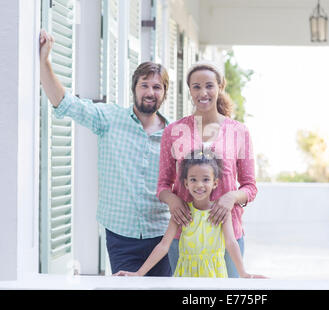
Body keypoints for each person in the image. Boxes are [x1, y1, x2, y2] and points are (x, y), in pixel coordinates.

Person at [39, 29, 172, 276]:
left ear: (164, 93)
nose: (150, 92)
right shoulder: (108, 118)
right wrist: (44, 61)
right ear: (135, 88)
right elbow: (64, 102)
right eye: (144, 85)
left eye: (157, 87)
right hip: (121, 236)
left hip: (163, 236)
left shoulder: (174, 133)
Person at [157, 60, 258, 278]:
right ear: (190, 91)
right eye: (196, 86)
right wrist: (173, 200)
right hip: (185, 236)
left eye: (209, 85)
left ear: (220, 87)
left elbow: (250, 186)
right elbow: (163, 185)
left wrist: (231, 197)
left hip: (228, 237)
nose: (203, 92)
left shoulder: (239, 132)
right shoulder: (173, 131)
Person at [113, 150, 265, 278]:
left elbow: (231, 243)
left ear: (215, 183)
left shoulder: (221, 213)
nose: (199, 185)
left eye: (206, 179)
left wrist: (244, 274)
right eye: (193, 179)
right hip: (185, 276)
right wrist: (139, 273)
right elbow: (164, 245)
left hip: (215, 276)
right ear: (186, 183)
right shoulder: (182, 213)